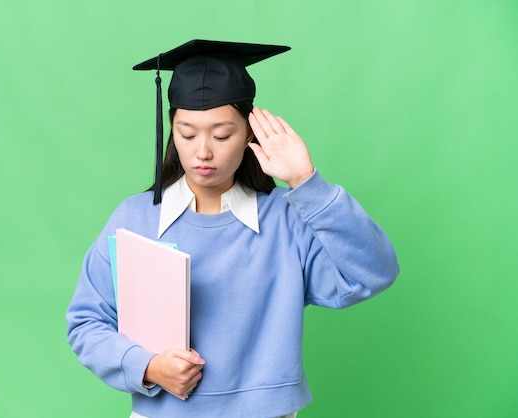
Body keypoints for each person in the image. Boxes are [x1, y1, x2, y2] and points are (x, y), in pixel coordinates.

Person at [66, 39, 399, 418]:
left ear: (249, 136)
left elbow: (373, 272)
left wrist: (307, 183)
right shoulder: (135, 218)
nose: (203, 151)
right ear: (171, 130)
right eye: (187, 134)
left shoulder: (286, 220)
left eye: (222, 135)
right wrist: (147, 366)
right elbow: (85, 322)